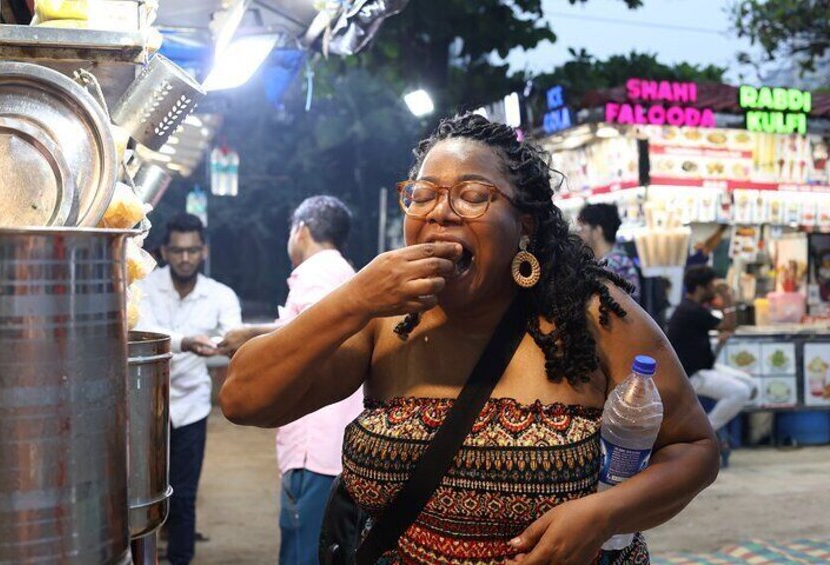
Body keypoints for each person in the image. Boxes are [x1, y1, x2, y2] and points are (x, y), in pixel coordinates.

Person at [220, 115, 718, 564]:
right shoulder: (384, 320)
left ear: (524, 223)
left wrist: (604, 513)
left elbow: (695, 448)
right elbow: (245, 400)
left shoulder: (593, 315)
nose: (441, 212)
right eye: (423, 194)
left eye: (473, 195)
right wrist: (354, 299)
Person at [220, 195, 363, 565]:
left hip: (313, 446)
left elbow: (314, 334)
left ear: (301, 230)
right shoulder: (342, 272)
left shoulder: (317, 273)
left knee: (302, 550)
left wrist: (251, 335)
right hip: (330, 443)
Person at [137, 213, 242, 565]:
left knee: (183, 495)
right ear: (165, 250)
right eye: (178, 250)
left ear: (204, 251)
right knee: (141, 491)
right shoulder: (146, 285)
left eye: (192, 250)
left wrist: (224, 344)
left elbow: (234, 335)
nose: (185, 258)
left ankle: (181, 558)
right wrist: (186, 342)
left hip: (191, 407)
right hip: (145, 405)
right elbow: (139, 328)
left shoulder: (219, 294)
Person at [666, 266, 757, 433]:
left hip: (701, 368)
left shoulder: (690, 308)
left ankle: (711, 429)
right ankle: (706, 430)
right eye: (710, 286)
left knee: (750, 384)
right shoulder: (691, 311)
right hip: (691, 375)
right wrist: (727, 297)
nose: (713, 290)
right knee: (741, 392)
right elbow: (730, 325)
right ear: (700, 288)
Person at [577, 203, 641, 302]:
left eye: (582, 229)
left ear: (597, 231)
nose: (579, 235)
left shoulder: (612, 265)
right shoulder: (617, 261)